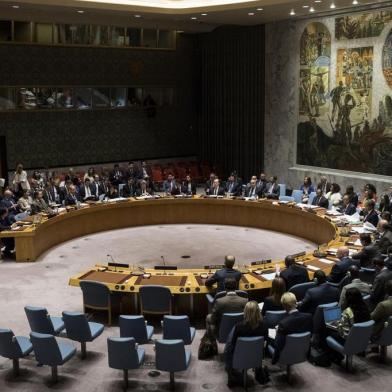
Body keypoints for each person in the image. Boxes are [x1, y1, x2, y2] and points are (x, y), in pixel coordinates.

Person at [225, 301, 267, 387]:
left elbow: (232, 345)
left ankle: (230, 372)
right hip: (256, 357)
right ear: (258, 312)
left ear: (245, 312)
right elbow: (264, 343)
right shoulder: (264, 327)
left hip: (239, 356)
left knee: (228, 348)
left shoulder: (238, 327)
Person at [271, 292, 313, 364]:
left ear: (284, 306)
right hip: (302, 352)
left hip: (286, 354)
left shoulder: (283, 324)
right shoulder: (309, 317)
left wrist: (278, 332)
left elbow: (278, 345)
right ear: (296, 302)